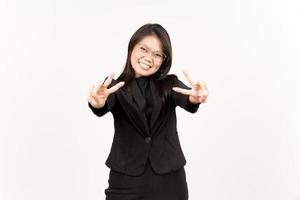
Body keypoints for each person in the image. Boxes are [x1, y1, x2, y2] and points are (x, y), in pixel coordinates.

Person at [87, 23, 208, 200]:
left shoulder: (170, 84)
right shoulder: (114, 87)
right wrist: (97, 103)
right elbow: (102, 105)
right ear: (132, 47)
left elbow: (186, 98)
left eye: (157, 54)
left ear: (164, 60)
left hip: (170, 182)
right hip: (125, 181)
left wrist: (195, 98)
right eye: (143, 49)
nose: (149, 58)